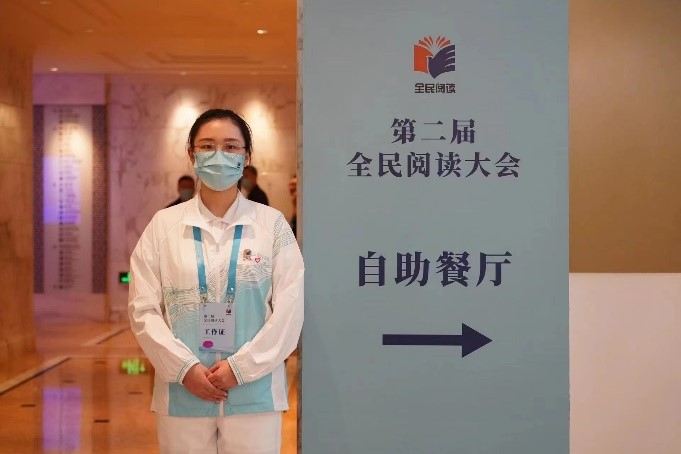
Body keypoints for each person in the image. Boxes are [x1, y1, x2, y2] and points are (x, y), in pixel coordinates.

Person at [129, 108, 304, 454]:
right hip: (183, 391)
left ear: (246, 157)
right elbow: (143, 309)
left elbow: (290, 308)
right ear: (191, 155)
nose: (219, 155)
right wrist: (184, 368)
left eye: (231, 146)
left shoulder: (272, 225)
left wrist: (241, 368)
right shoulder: (163, 226)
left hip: (254, 392)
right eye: (207, 146)